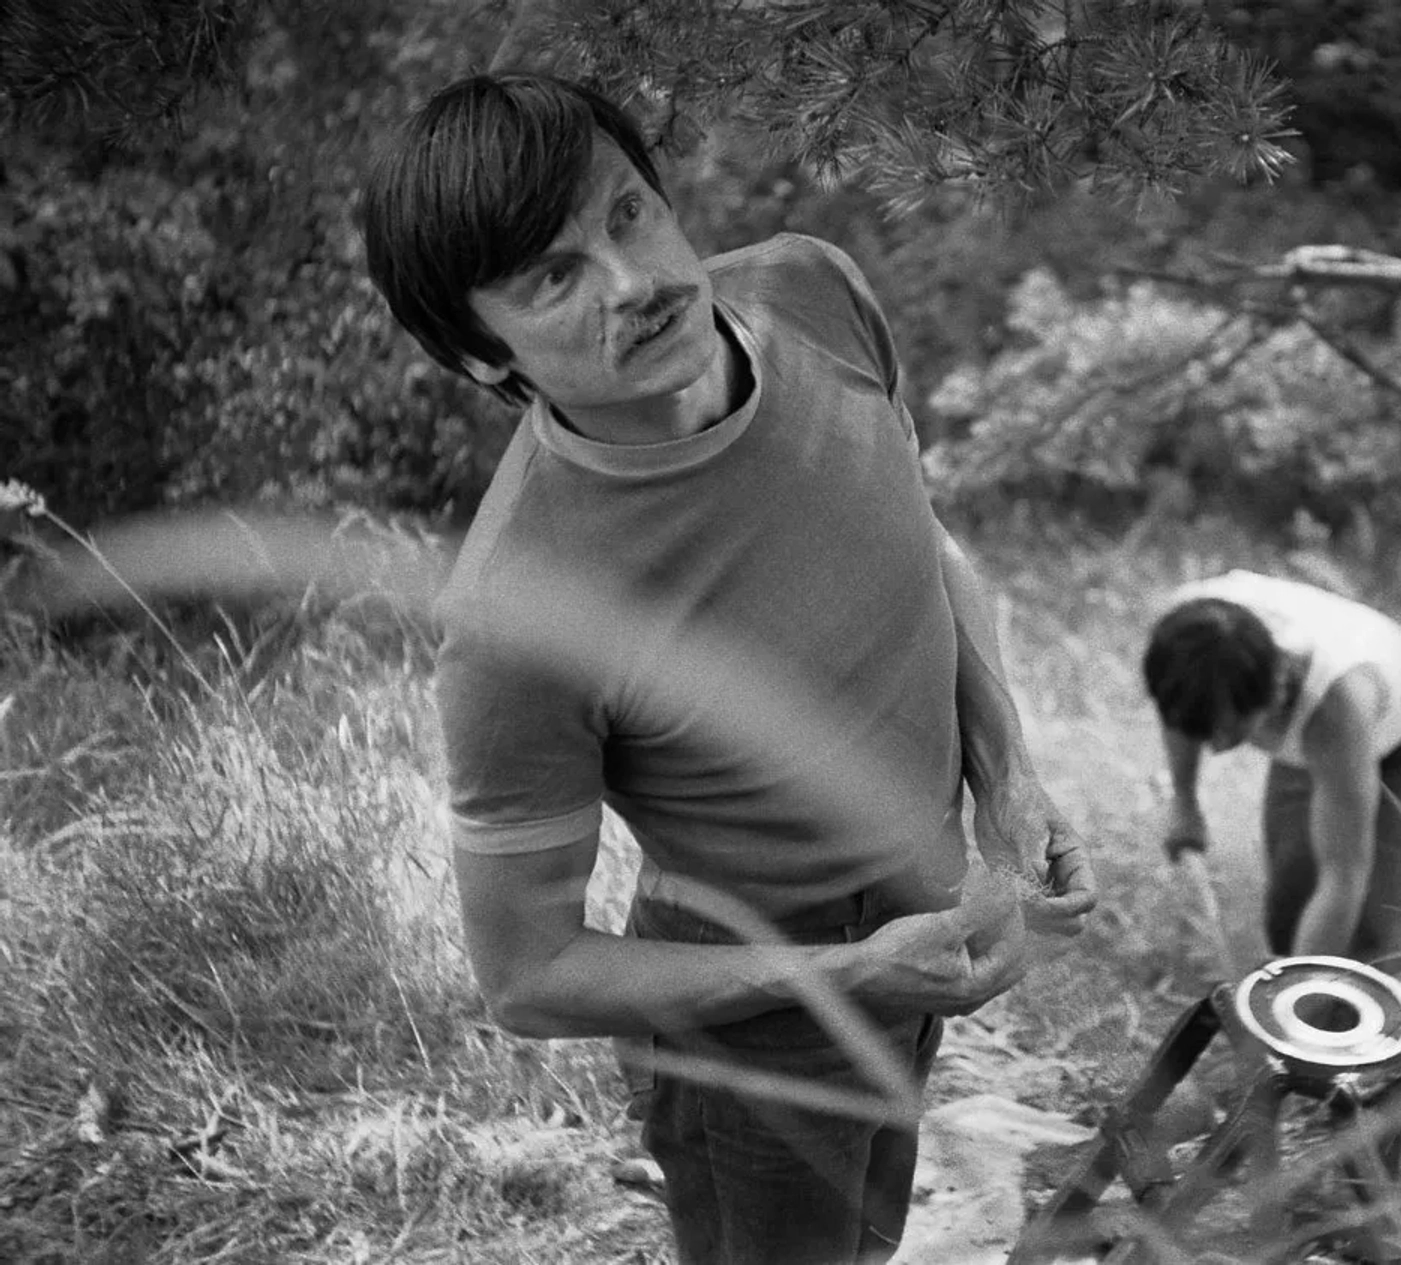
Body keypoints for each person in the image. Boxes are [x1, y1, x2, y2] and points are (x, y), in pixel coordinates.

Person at [357, 71, 1096, 1265]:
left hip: (923, 918)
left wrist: (1007, 774)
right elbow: (529, 972)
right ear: (483, 357)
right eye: (554, 275)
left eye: (627, 213)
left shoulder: (815, 288)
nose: (635, 281)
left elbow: (923, 534)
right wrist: (847, 970)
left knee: (862, 1238)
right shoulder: (520, 613)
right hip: (756, 1014)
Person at [1142, 569, 1401, 965]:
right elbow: (1180, 708)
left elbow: (1342, 878)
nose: (1219, 747)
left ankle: (1349, 1014)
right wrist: (1185, 800)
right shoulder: (1188, 640)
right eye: (1206, 731)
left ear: (1273, 693)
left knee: (1368, 931)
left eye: (1230, 730)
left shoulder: (1333, 710)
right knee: (1292, 908)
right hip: (1319, 735)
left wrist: (1299, 1012)